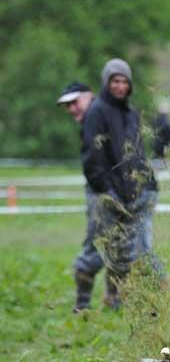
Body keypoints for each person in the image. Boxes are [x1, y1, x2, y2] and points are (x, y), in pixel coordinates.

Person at [82, 58, 160, 308]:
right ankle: (82, 304)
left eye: (124, 81)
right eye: (115, 81)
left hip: (133, 194)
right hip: (109, 194)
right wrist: (106, 190)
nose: (120, 86)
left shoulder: (130, 113)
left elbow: (136, 153)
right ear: (107, 82)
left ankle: (115, 299)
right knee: (102, 249)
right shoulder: (96, 111)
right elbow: (93, 156)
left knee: (126, 252)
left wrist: (149, 182)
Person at [56, 81, 106, 312]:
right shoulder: (92, 121)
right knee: (103, 246)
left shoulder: (101, 117)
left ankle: (85, 306)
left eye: (74, 102)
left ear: (89, 97)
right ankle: (85, 306)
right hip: (102, 193)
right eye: (67, 106)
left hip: (110, 194)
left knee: (102, 248)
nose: (71, 109)